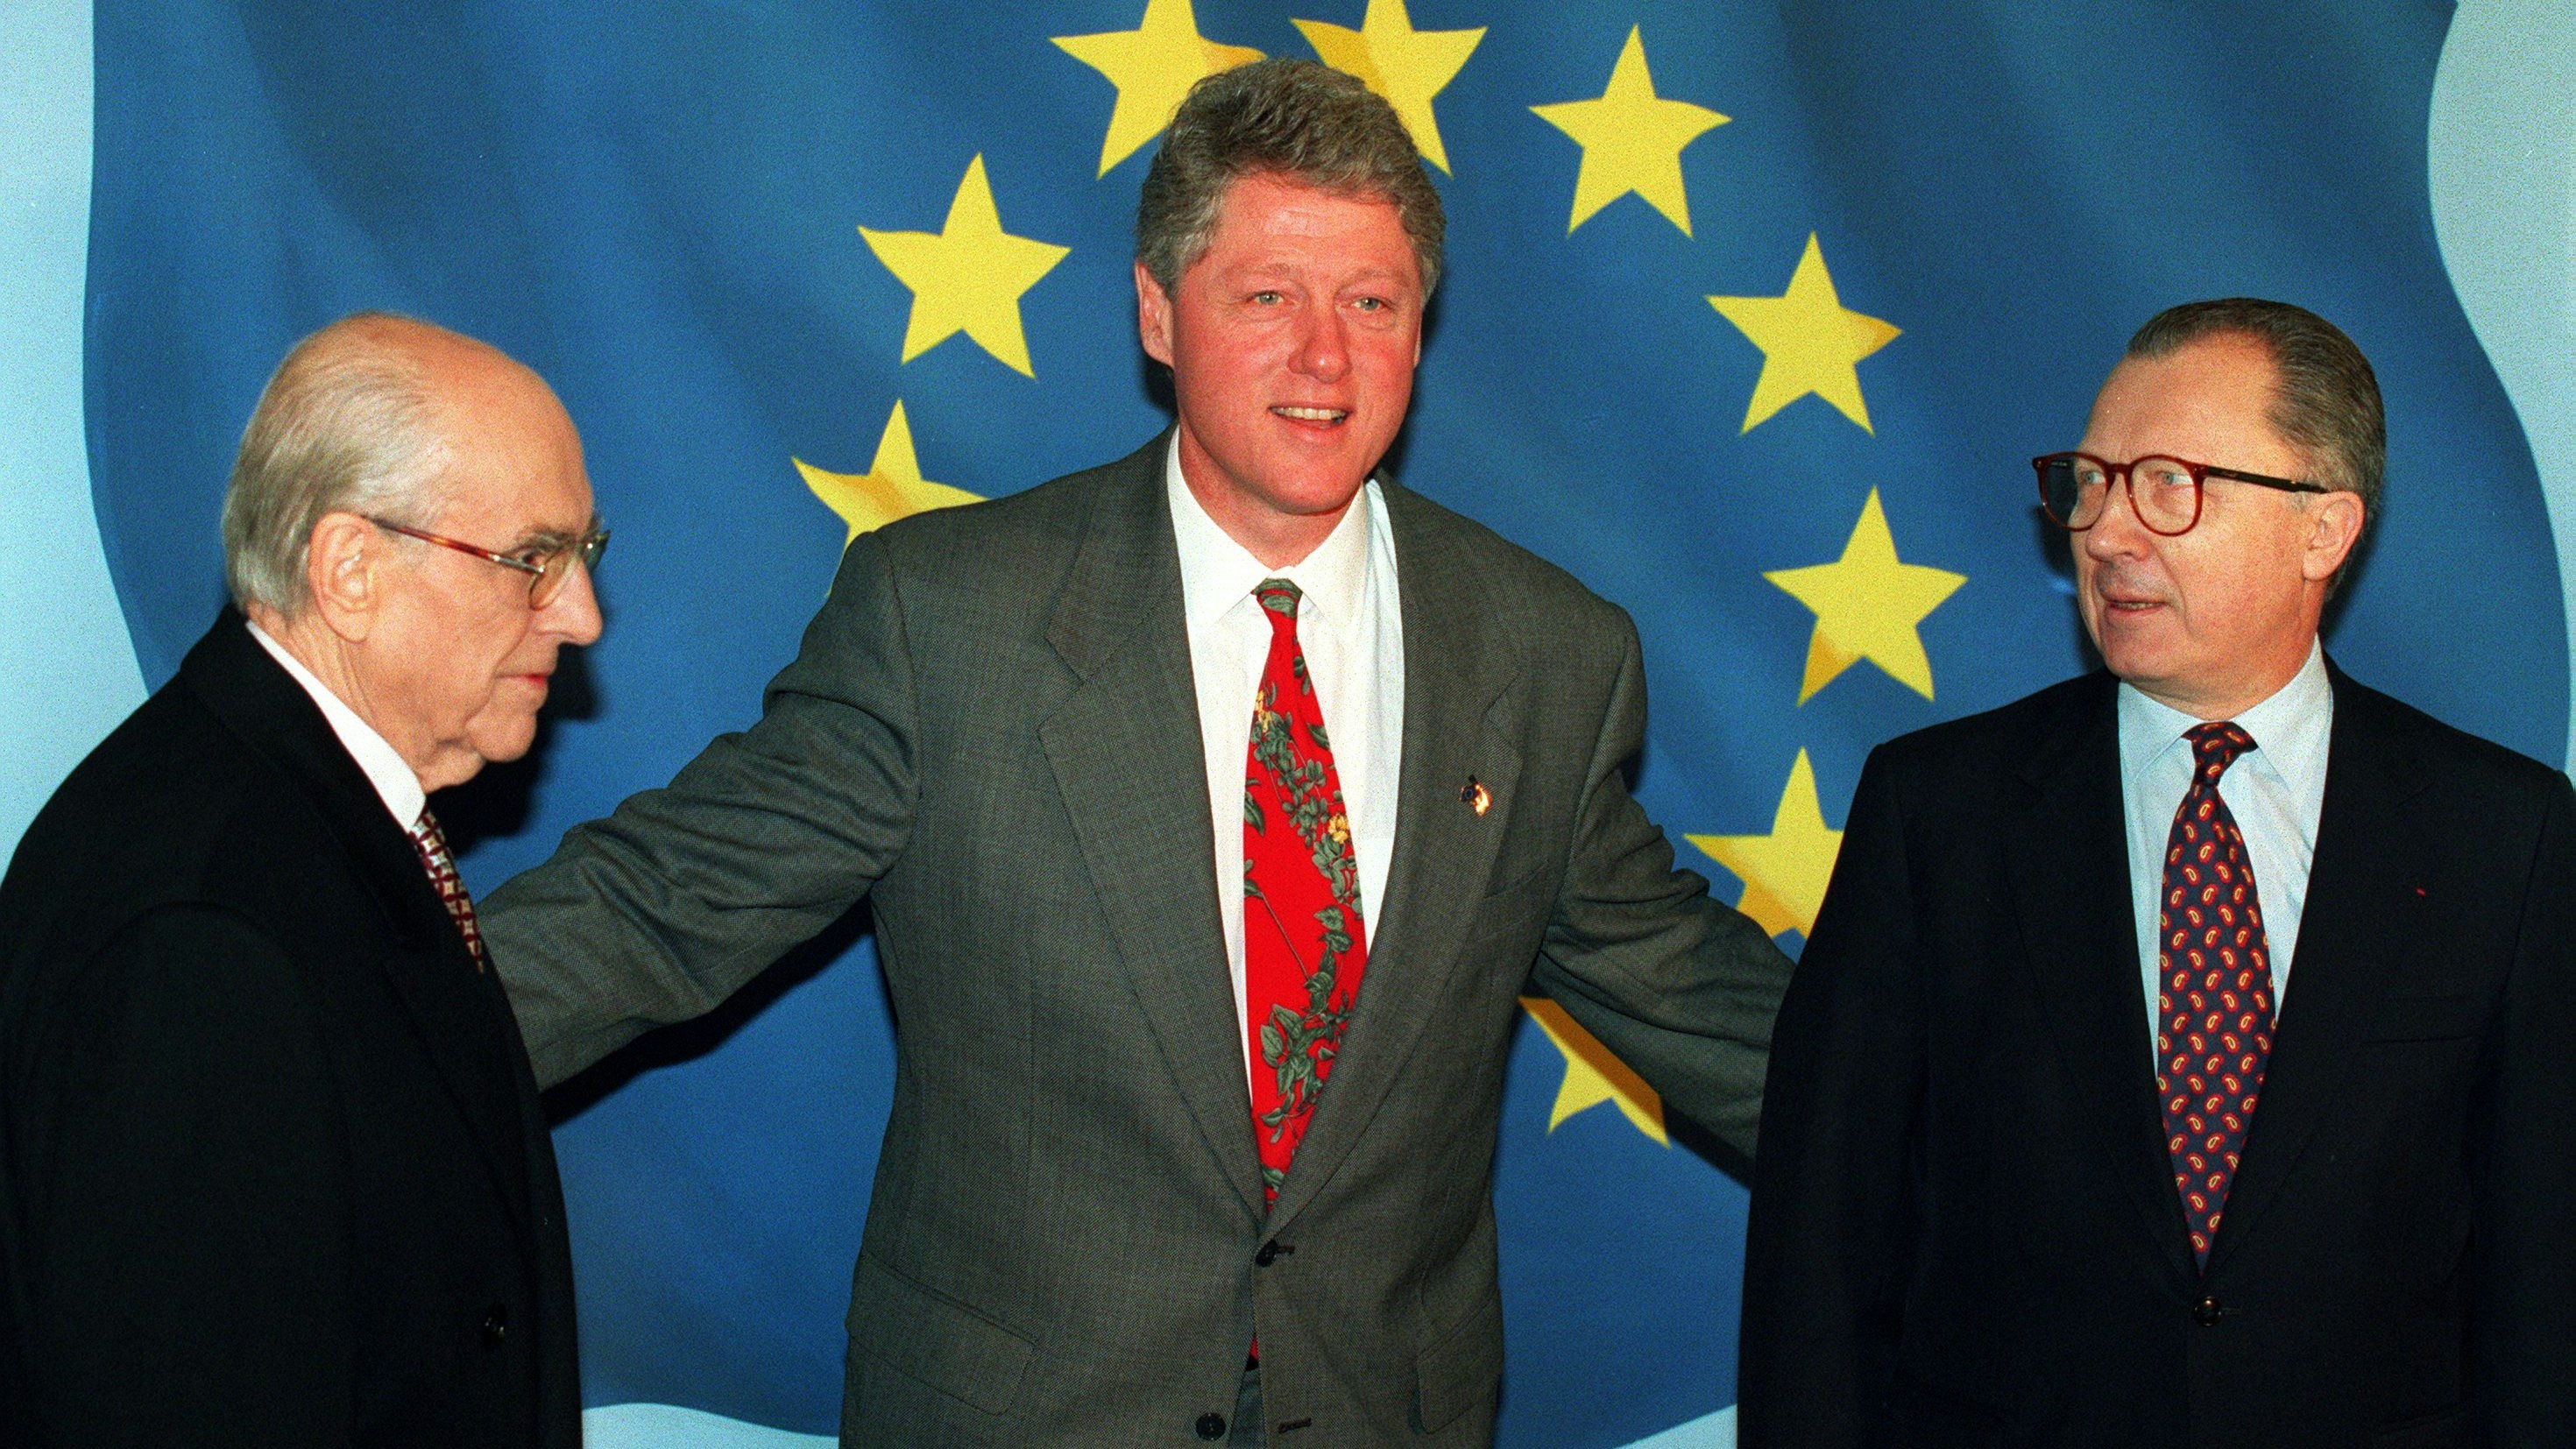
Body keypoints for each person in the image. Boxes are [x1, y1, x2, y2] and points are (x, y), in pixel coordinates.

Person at [482, 59, 1788, 1446]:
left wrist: (1994, 1145)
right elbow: (656, 911)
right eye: (1268, 295)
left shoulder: (1543, 654)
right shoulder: (951, 622)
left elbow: (1703, 1003)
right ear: (1160, 315)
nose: (1325, 358)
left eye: (1372, 302)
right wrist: (331, 1043)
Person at [1738, 298, 2576, 1446]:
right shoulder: (1938, 815)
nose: (2108, 533)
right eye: (2092, 480)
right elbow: (1821, 1256)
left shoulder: (2501, 837)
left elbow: (2544, 1292)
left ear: (2323, 529)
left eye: (2169, 484)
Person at [0, 313, 605, 1446]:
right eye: (534, 559)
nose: (579, 615)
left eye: (584, 556)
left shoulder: (295, 813)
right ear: (352, 569)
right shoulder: (202, 931)